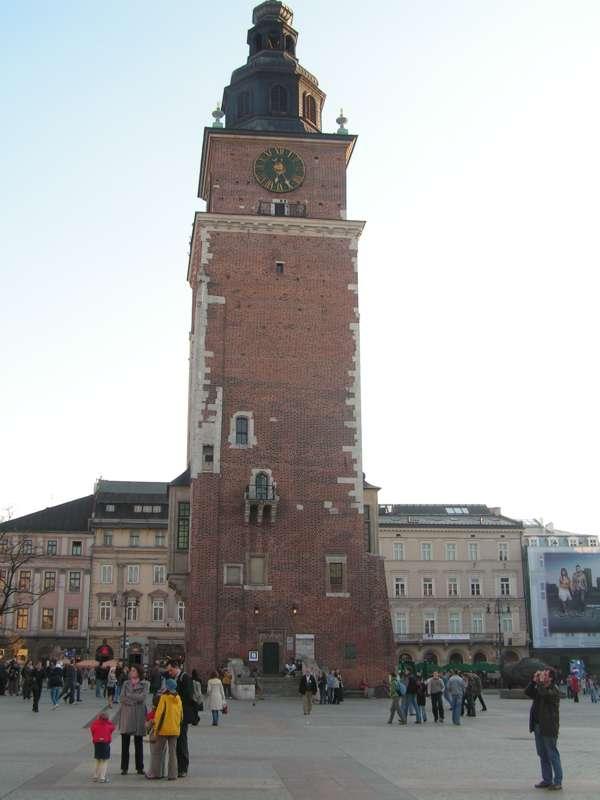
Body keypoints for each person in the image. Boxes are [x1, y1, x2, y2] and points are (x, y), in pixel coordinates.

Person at [525, 668, 563, 790]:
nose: (543, 676)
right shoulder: (541, 689)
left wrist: (540, 683)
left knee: (552, 754)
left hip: (548, 727)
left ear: (551, 678)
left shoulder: (554, 690)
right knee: (542, 753)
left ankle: (558, 781)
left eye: (545, 675)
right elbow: (528, 692)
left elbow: (545, 695)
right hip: (538, 726)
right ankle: (547, 779)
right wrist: (533, 681)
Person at [146, 678, 183, 781]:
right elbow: (181, 715)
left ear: (167, 687)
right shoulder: (178, 698)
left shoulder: (164, 697)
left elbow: (159, 714)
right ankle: (173, 774)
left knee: (157, 752)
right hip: (175, 729)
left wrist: (156, 728)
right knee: (173, 753)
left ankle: (156, 773)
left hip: (163, 729)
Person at [167, 659, 196, 777]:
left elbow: (189, 696)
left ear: (176, 667)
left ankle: (183, 768)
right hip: (176, 714)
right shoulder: (175, 678)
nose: (169, 673)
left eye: (170, 670)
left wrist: (175, 695)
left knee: (182, 740)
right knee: (177, 741)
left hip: (182, 714)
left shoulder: (185, 678)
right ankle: (177, 767)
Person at [119, 664, 147, 775]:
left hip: (138, 716)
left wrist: (130, 696)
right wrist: (134, 701)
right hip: (126, 715)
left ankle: (139, 767)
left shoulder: (145, 684)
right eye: (131, 670)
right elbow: (122, 698)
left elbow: (142, 698)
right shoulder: (126, 683)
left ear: (139, 672)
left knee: (138, 743)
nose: (131, 672)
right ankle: (124, 768)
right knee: (125, 744)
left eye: (134, 670)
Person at [90, 712, 116, 784]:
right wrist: (108, 721)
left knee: (98, 760)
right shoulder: (108, 726)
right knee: (104, 761)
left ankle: (95, 776)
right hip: (105, 743)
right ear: (107, 719)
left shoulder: (94, 725)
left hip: (97, 743)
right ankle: (102, 777)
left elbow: (92, 730)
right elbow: (113, 727)